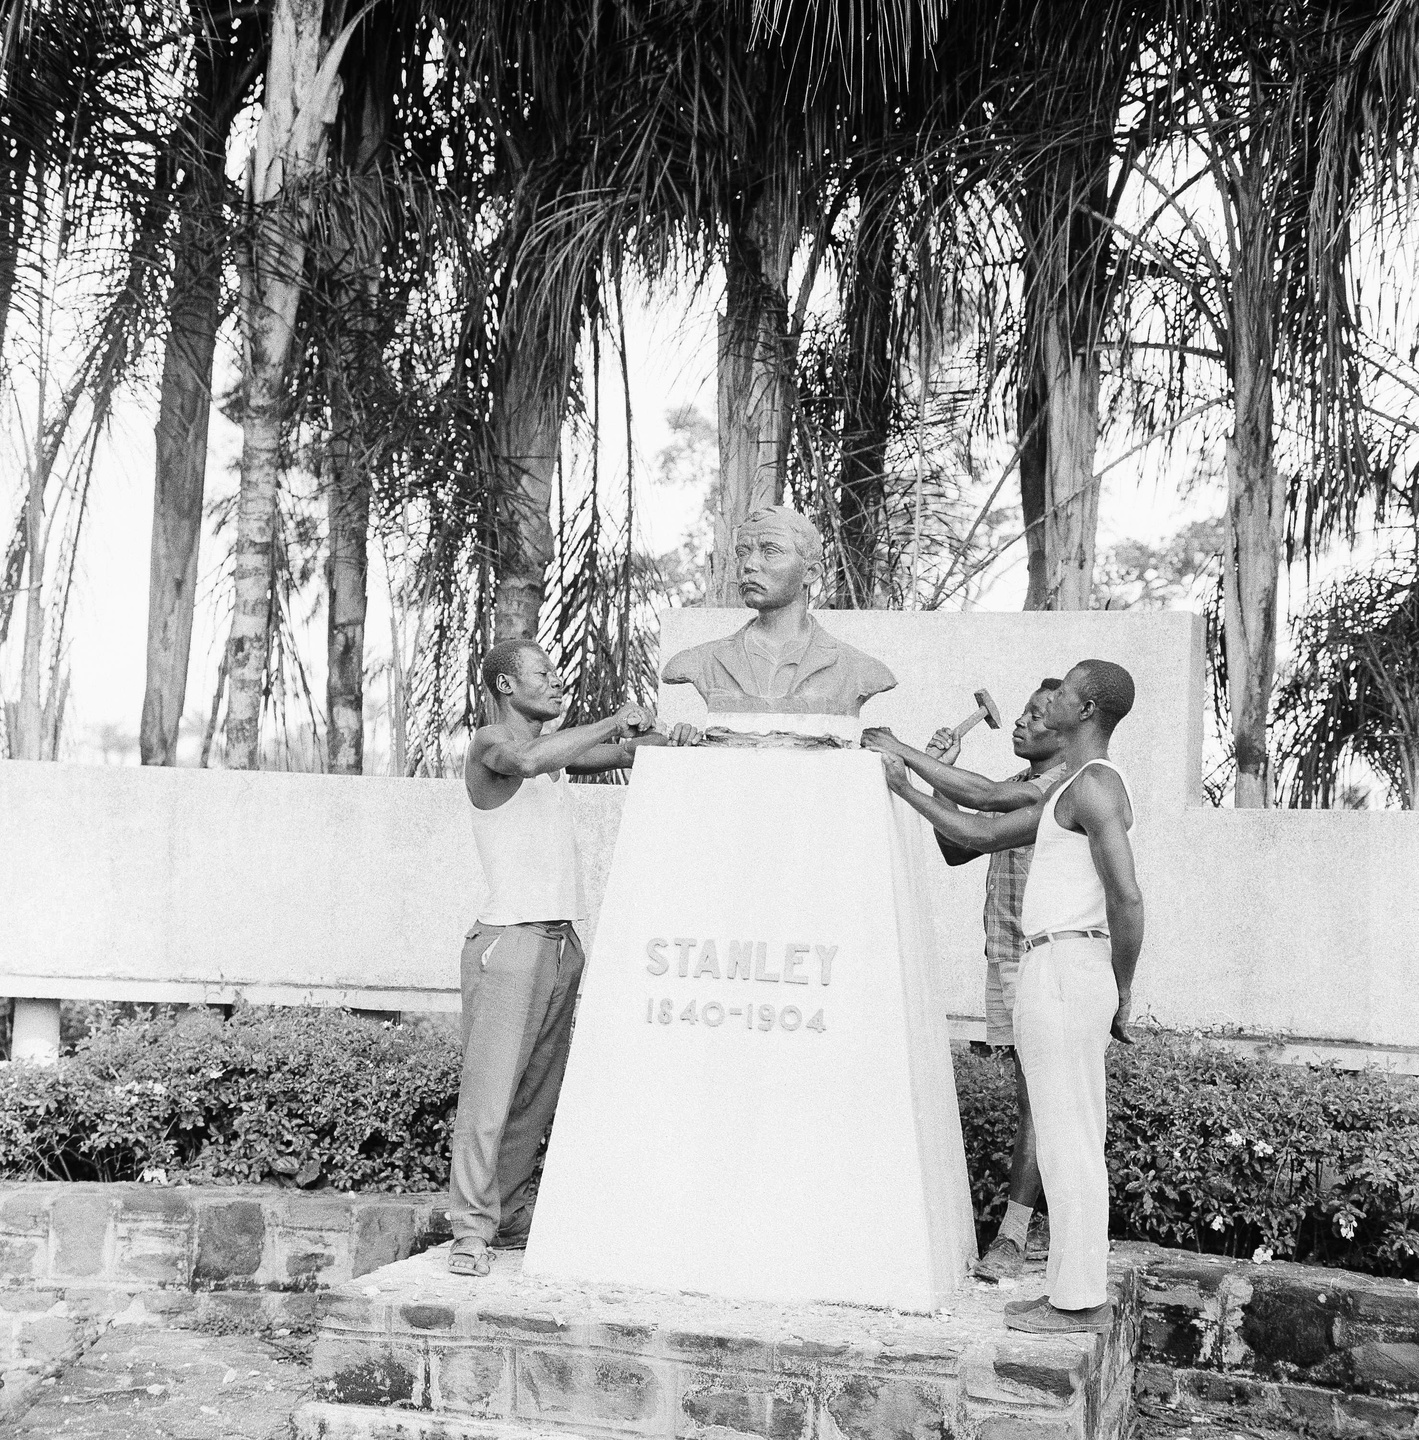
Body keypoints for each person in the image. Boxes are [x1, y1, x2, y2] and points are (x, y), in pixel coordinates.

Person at [867, 660, 1142, 1334]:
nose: (1044, 704)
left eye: (1064, 693)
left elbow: (1127, 896)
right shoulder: (1070, 787)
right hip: (1056, 963)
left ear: (1085, 711)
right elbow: (982, 821)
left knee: (1066, 1138)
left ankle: (1076, 1304)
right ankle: (1069, 1293)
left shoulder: (1096, 786)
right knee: (1065, 1134)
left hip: (1068, 963)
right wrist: (904, 776)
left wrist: (1123, 987)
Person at [448, 638, 695, 1278]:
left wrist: (682, 739)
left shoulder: (553, 760)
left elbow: (625, 755)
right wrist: (614, 718)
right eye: (541, 675)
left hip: (561, 944)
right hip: (510, 942)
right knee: (490, 1096)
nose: (556, 683)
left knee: (535, 1096)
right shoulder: (490, 747)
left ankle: (507, 1214)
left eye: (556, 673)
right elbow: (528, 759)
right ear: (505, 685)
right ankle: (470, 1233)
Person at [863, 680, 1068, 1282]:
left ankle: (1013, 1232)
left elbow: (982, 798)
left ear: (1065, 728)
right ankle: (1037, 1219)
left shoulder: (1054, 786)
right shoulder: (1015, 793)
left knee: (1040, 1094)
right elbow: (960, 844)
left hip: (1042, 957)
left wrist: (905, 757)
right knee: (1031, 1092)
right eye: (1023, 711)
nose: (1022, 722)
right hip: (1005, 955)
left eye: (1037, 714)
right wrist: (931, 778)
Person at [662, 507, 896, 718]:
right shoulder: (699, 662)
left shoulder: (859, 670)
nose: (749, 565)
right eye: (743, 552)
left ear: (810, 572)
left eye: (770, 551)